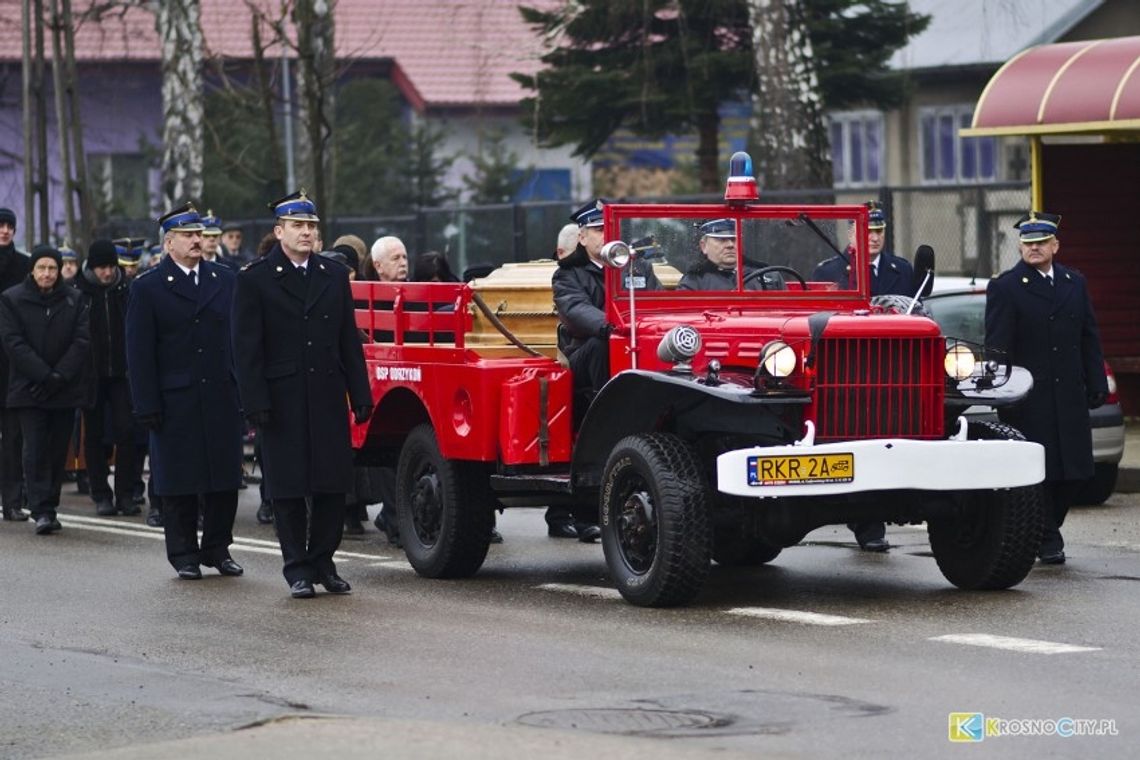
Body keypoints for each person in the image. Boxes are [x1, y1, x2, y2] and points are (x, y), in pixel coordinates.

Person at [232, 190, 372, 599]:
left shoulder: (331, 275)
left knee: (331, 486)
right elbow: (246, 349)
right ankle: (296, 567)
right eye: (298, 226)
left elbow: (348, 338)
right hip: (282, 399)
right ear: (279, 232)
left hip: (327, 393)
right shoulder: (255, 279)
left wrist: (359, 393)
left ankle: (323, 561)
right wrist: (254, 401)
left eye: (311, 226)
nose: (307, 232)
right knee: (288, 488)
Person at [125, 203, 245, 580]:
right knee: (178, 481)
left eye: (199, 235)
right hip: (174, 398)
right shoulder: (148, 287)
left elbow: (238, 339)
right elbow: (139, 351)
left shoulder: (225, 279)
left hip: (220, 395)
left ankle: (217, 547)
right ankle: (183, 552)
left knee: (224, 478)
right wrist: (146, 403)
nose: (197, 241)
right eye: (189, 236)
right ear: (169, 242)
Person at [985, 211, 1108, 565]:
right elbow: (997, 345)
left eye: (1041, 243)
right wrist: (1003, 391)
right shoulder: (1007, 286)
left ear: (1055, 245)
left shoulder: (1074, 282)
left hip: (1069, 393)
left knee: (1076, 473)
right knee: (1043, 470)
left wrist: (1095, 381)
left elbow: (1089, 336)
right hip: (1031, 396)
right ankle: (1048, 537)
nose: (1034, 248)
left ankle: (1043, 527)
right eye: (1028, 243)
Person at [553, 199, 659, 543]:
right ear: (582, 237)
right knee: (602, 346)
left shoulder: (637, 267)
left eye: (611, 228)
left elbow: (656, 304)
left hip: (637, 351)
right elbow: (575, 311)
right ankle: (611, 409)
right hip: (588, 357)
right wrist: (614, 327)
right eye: (598, 230)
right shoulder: (569, 273)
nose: (606, 235)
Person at [813, 201, 911, 552]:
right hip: (846, 373)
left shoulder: (902, 270)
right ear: (852, 232)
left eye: (879, 231)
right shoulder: (829, 271)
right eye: (867, 231)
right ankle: (867, 525)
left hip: (894, 372)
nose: (874, 238)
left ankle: (881, 513)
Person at [0, 245, 90, 535]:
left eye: (52, 268)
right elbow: (14, 343)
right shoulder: (12, 299)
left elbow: (81, 341)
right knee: (34, 449)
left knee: (56, 450)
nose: (47, 273)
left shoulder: (75, 300)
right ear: (33, 270)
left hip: (62, 388)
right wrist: (42, 375)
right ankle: (41, 509)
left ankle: (50, 504)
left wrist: (59, 376)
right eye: (42, 268)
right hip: (29, 389)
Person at [74, 239, 141, 518]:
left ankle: (125, 493)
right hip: (92, 375)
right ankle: (101, 492)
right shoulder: (79, 293)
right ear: (92, 266)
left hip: (122, 374)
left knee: (127, 431)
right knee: (95, 435)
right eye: (101, 267)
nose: (106, 273)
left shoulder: (125, 290)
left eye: (110, 267)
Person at [0, 207, 30, 522]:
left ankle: (11, 500)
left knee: (13, 436)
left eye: (9, 225)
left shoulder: (24, 265)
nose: (5, 230)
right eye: (0, 225)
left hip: (12, 362)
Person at [677, 218, 785, 291]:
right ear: (704, 246)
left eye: (734, 239)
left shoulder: (768, 275)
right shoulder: (694, 281)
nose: (730, 245)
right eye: (722, 240)